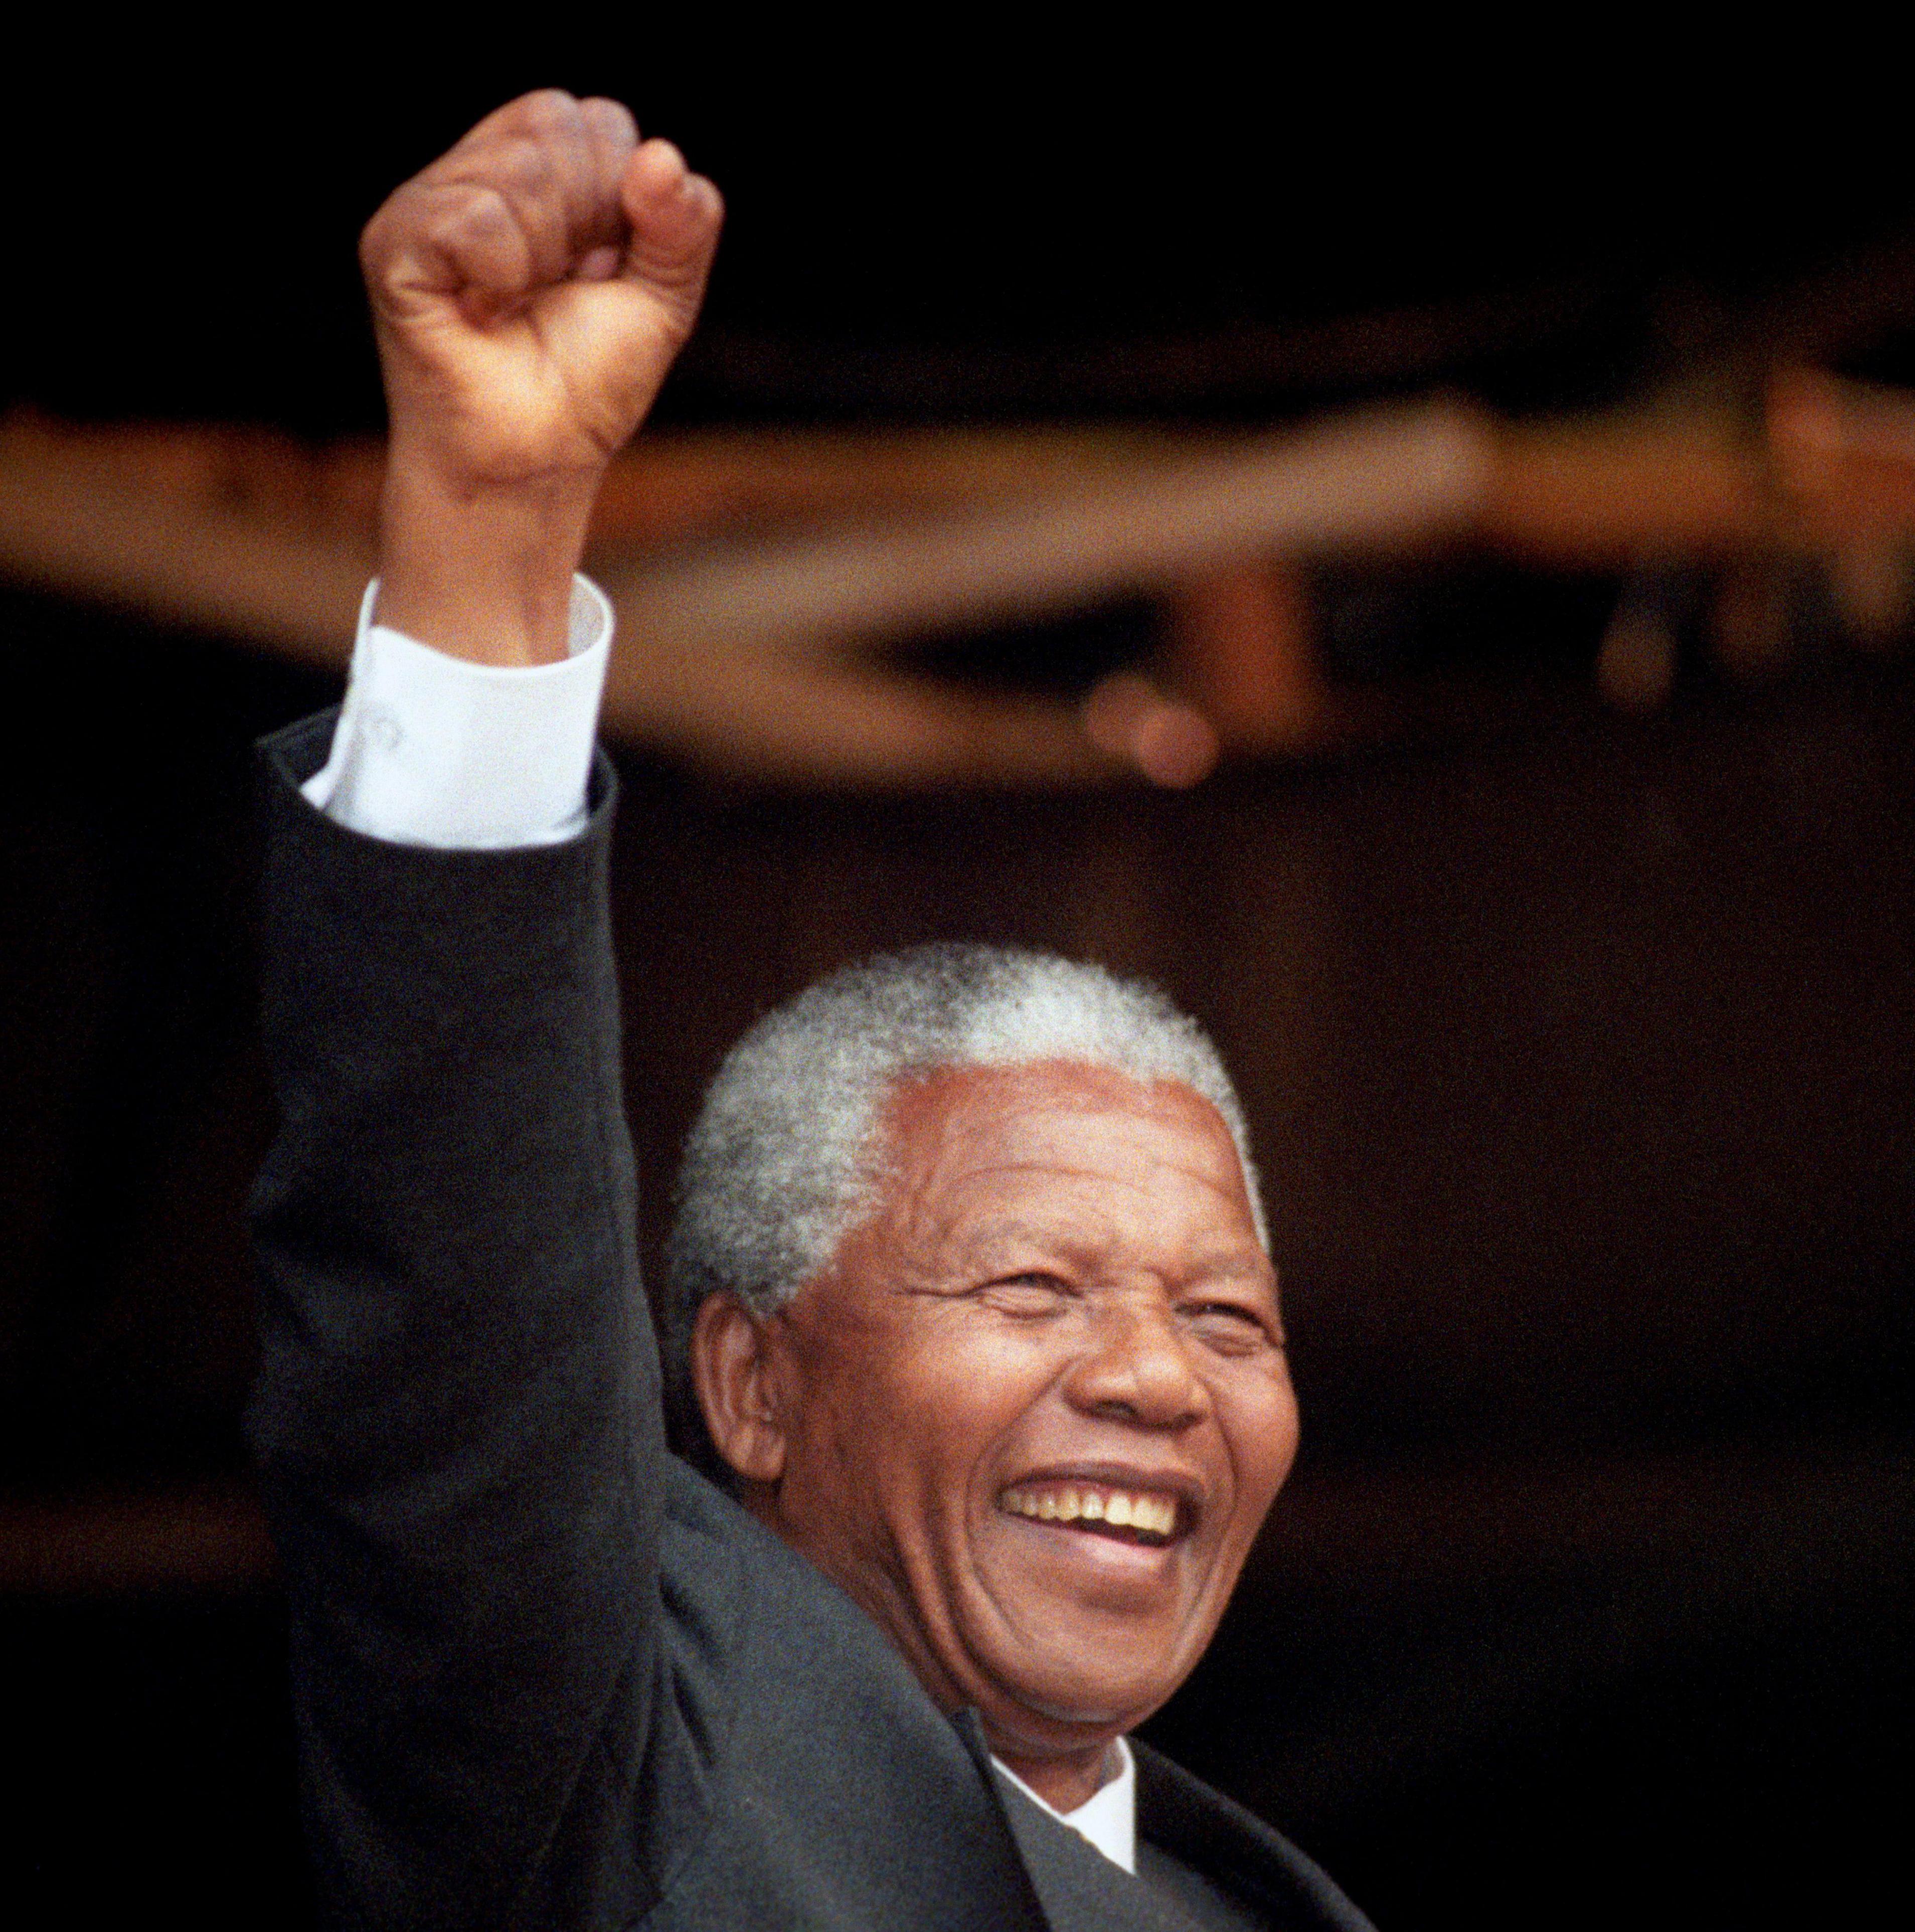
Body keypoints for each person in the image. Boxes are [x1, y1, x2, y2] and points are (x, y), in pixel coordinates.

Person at [249, 89, 1374, 1930]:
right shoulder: (623, 1787)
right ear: (752, 1387)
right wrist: (491, 526)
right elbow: (448, 1331)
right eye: (1032, 1288)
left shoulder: (1252, 1906)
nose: (1160, 1380)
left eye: (1231, 1319)